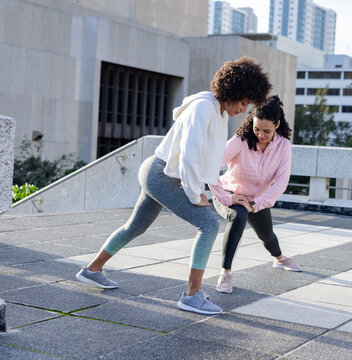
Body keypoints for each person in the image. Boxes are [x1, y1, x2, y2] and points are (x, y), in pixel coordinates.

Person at [75, 57, 271, 315]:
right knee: (209, 224)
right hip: (161, 173)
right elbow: (190, 155)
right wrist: (194, 193)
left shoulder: (218, 111)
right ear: (232, 92)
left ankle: (92, 270)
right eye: (244, 102)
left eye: (249, 104)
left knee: (135, 226)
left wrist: (223, 196)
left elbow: (209, 165)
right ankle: (191, 295)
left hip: (164, 173)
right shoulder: (203, 107)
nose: (245, 109)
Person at [209, 95, 301, 294]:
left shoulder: (283, 146)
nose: (260, 134)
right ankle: (226, 272)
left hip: (256, 199)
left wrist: (257, 204)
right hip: (230, 193)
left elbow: (281, 182)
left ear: (277, 125)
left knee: (267, 235)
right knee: (238, 216)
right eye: (257, 128)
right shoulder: (240, 141)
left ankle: (279, 258)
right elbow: (210, 167)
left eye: (267, 131)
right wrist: (227, 198)